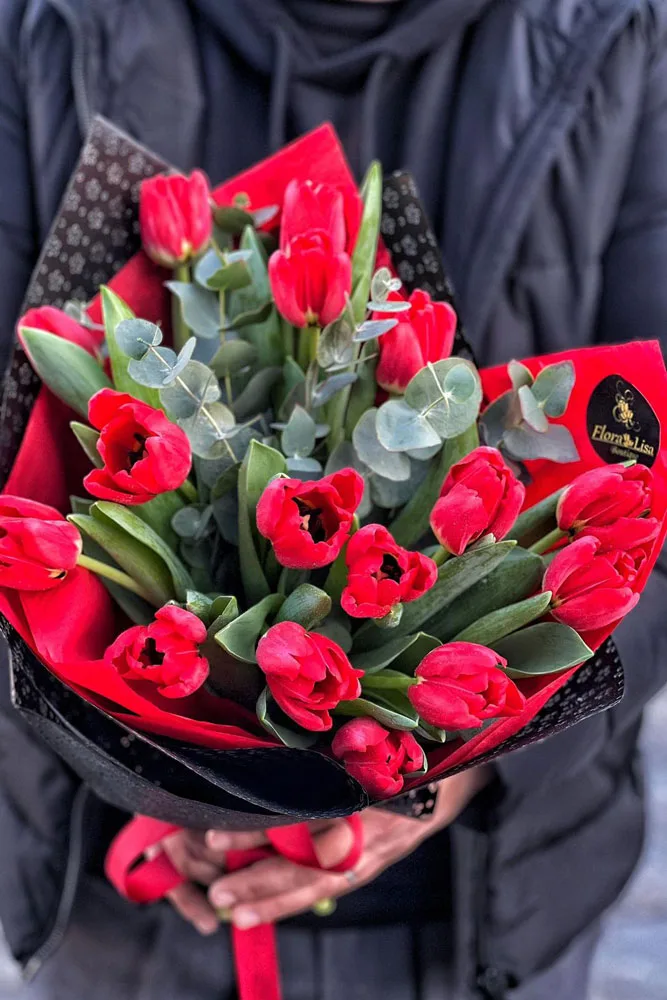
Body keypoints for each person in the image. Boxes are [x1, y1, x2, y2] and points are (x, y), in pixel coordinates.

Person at [0, 0, 666, 997]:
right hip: (124, 899)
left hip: (491, 907)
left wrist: (469, 766)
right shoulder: (49, 24)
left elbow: (652, 513)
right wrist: (151, 772)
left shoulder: (620, 31)